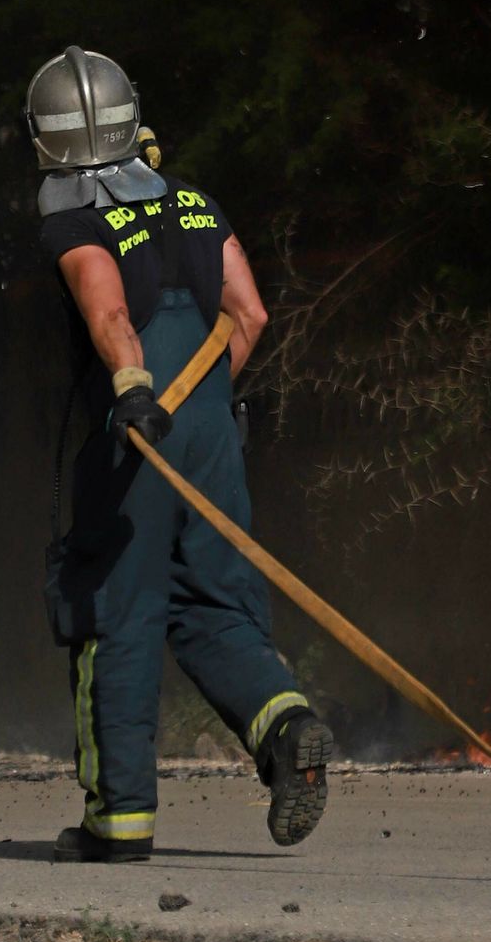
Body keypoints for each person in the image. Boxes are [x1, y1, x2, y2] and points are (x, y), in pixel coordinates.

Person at [30, 44, 333, 863]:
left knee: (114, 613)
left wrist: (135, 388)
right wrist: (199, 401)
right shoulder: (195, 202)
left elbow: (107, 311)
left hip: (136, 439)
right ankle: (287, 726)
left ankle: (119, 821)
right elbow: (252, 315)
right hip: (207, 434)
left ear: (45, 141)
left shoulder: (73, 218)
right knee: (216, 606)